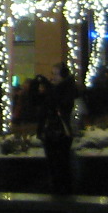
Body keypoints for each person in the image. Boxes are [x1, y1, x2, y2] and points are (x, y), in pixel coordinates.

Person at [31, 64, 77, 195]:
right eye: (52, 74)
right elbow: (39, 105)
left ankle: (63, 190)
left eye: (55, 74)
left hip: (61, 131)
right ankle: (56, 188)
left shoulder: (67, 89)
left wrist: (49, 88)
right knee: (52, 162)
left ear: (63, 76)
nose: (52, 77)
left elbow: (59, 104)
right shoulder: (53, 90)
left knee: (61, 162)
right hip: (50, 131)